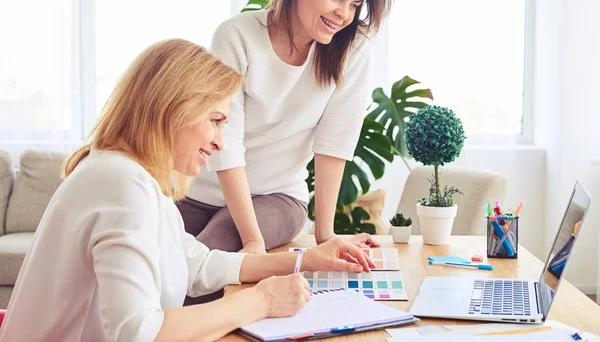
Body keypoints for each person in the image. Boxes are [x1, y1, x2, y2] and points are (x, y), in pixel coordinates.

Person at [0, 39, 375, 342]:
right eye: (215, 121)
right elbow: (137, 333)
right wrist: (260, 301)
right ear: (172, 108)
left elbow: (195, 264)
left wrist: (305, 260)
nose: (218, 142)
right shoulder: (121, 185)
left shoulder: (134, 177)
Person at [179, 0, 394, 258]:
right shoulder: (236, 35)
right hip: (200, 194)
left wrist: (325, 234)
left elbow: (334, 142)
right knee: (157, 256)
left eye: (353, 4)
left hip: (278, 198)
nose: (343, 14)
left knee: (210, 251)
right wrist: (252, 242)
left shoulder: (352, 50)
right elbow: (227, 140)